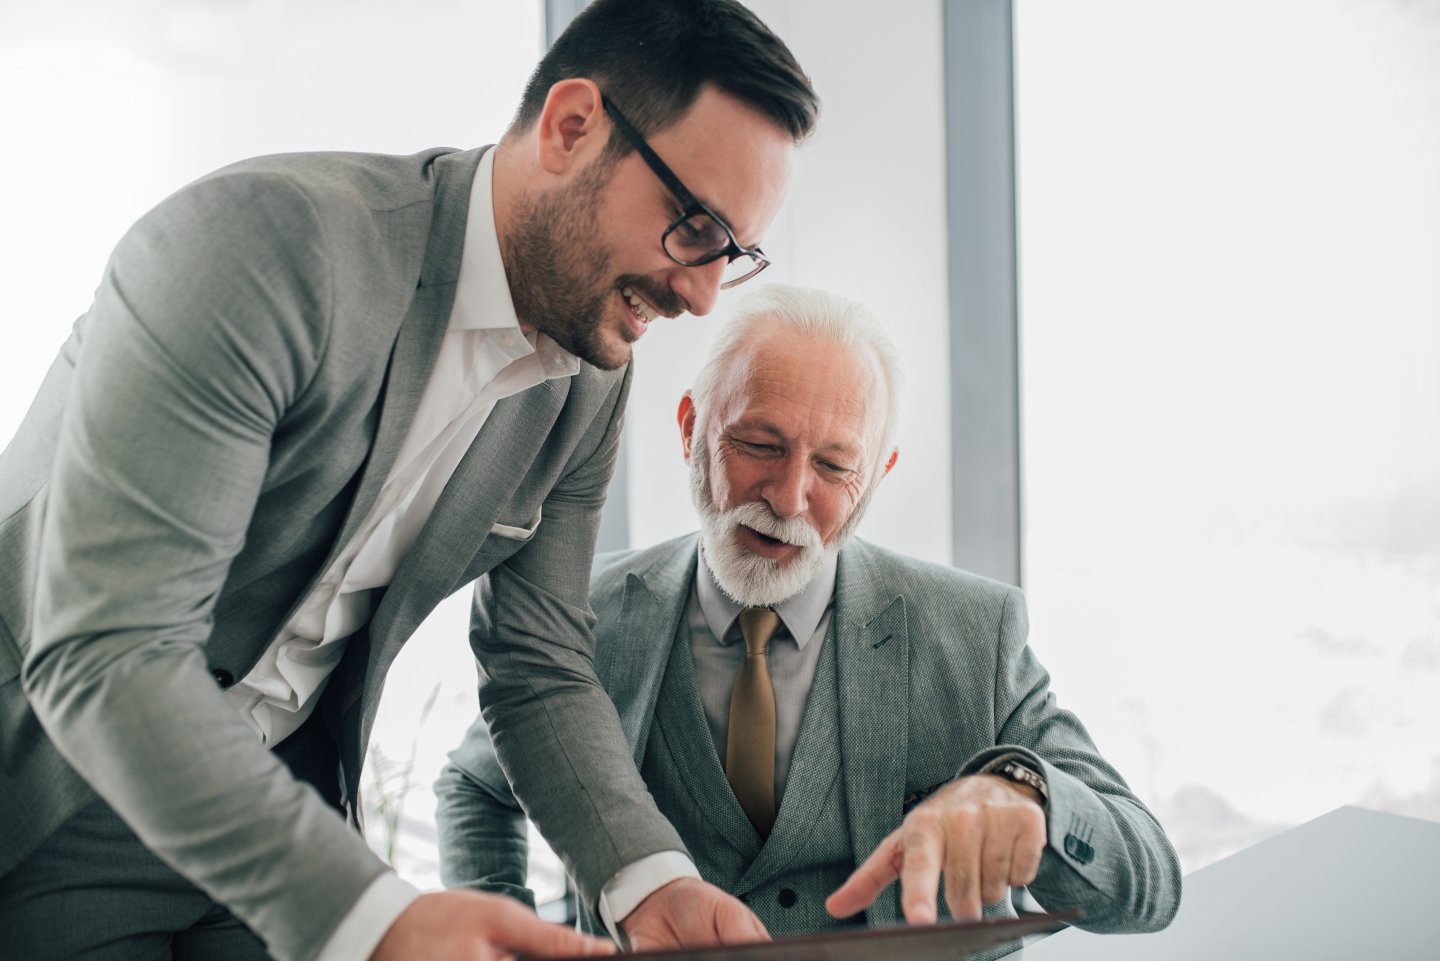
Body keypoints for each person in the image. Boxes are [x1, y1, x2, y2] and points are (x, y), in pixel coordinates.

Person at [0, 2, 817, 959]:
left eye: (734, 253)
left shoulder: (591, 375)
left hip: (283, 813)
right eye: (693, 227)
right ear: (571, 127)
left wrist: (652, 880)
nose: (701, 292)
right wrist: (374, 916)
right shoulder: (262, 246)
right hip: (53, 790)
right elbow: (110, 648)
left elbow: (538, 663)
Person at [434, 284, 1182, 956]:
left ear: (878, 475)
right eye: (759, 444)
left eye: (833, 466)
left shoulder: (976, 634)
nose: (790, 497)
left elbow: (1151, 882)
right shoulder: (581, 616)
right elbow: (476, 786)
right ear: (691, 428)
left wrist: (1029, 793)